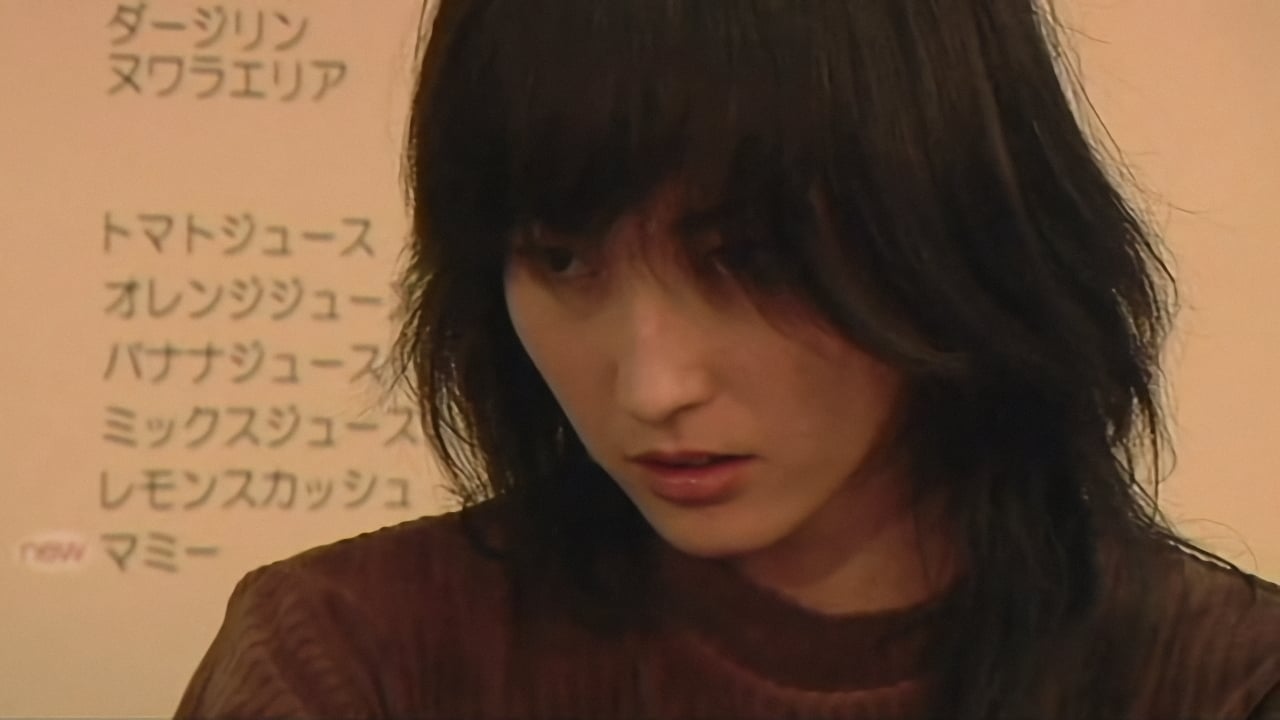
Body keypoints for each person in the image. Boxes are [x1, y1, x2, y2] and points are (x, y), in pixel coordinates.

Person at [175, 0, 1280, 718]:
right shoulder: (357, 654)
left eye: (750, 259)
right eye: (560, 259)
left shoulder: (1218, 680)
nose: (652, 386)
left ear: (955, 227)